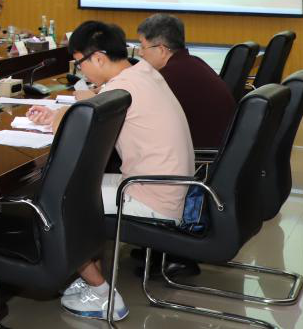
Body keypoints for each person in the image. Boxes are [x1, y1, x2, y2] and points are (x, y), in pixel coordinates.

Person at [28, 21, 194, 321]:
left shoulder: (121, 88)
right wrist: (60, 112)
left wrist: (59, 118)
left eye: (79, 64)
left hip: (152, 196)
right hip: (166, 186)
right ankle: (87, 273)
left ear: (98, 58)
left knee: (57, 201)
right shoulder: (142, 72)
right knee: (79, 189)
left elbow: (76, 133)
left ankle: (103, 293)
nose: (81, 72)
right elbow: (94, 104)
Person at [136, 13, 236, 148]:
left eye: (143, 47)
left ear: (161, 50)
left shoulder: (168, 78)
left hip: (202, 155)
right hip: (221, 148)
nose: (140, 53)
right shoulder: (193, 62)